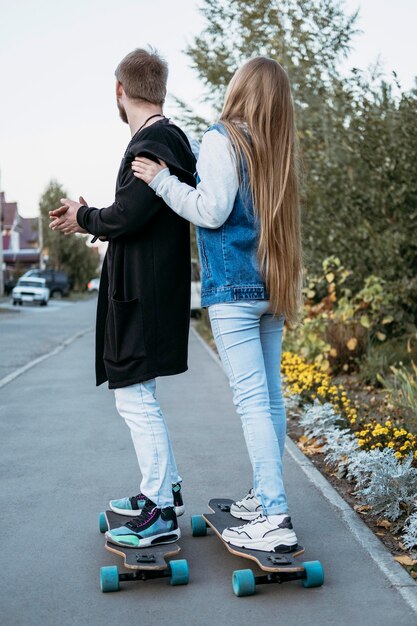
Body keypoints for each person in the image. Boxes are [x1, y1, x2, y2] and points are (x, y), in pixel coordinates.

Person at [131, 56, 303, 552]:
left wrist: (163, 182)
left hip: (233, 293)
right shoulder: (277, 149)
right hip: (273, 288)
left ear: (240, 89)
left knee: (253, 403)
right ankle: (262, 497)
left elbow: (211, 211)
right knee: (269, 400)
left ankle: (273, 515)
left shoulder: (222, 138)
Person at [49, 48, 196, 548]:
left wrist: (84, 219)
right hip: (147, 292)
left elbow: (128, 216)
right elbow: (135, 210)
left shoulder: (154, 141)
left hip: (145, 297)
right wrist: (93, 214)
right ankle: (164, 491)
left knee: (134, 397)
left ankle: (159, 513)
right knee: (139, 395)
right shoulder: (161, 139)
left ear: (120, 91)